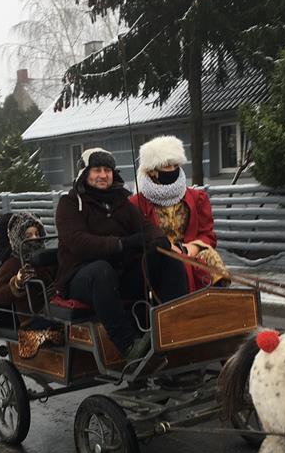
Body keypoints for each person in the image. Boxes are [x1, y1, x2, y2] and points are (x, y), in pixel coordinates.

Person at [55, 147, 187, 362]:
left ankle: (174, 328)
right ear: (84, 173)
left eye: (107, 170)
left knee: (168, 259)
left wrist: (157, 239)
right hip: (81, 278)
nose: (103, 175)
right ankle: (128, 345)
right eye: (97, 170)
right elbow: (78, 242)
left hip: (120, 275)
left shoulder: (121, 202)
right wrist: (121, 244)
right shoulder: (69, 204)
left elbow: (146, 226)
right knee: (101, 270)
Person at [130, 135, 230, 290]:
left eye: (175, 165)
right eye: (166, 166)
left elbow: (207, 234)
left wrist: (193, 247)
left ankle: (217, 299)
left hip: (192, 253)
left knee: (211, 257)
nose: (172, 170)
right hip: (160, 259)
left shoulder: (197, 198)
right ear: (152, 171)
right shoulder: (137, 203)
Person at [0, 212, 61, 357]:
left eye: (37, 234)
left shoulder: (46, 257)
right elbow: (0, 294)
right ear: (19, 238)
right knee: (64, 330)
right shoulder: (13, 263)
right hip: (31, 318)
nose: (35, 238)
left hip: (53, 310)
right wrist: (16, 283)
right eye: (29, 235)